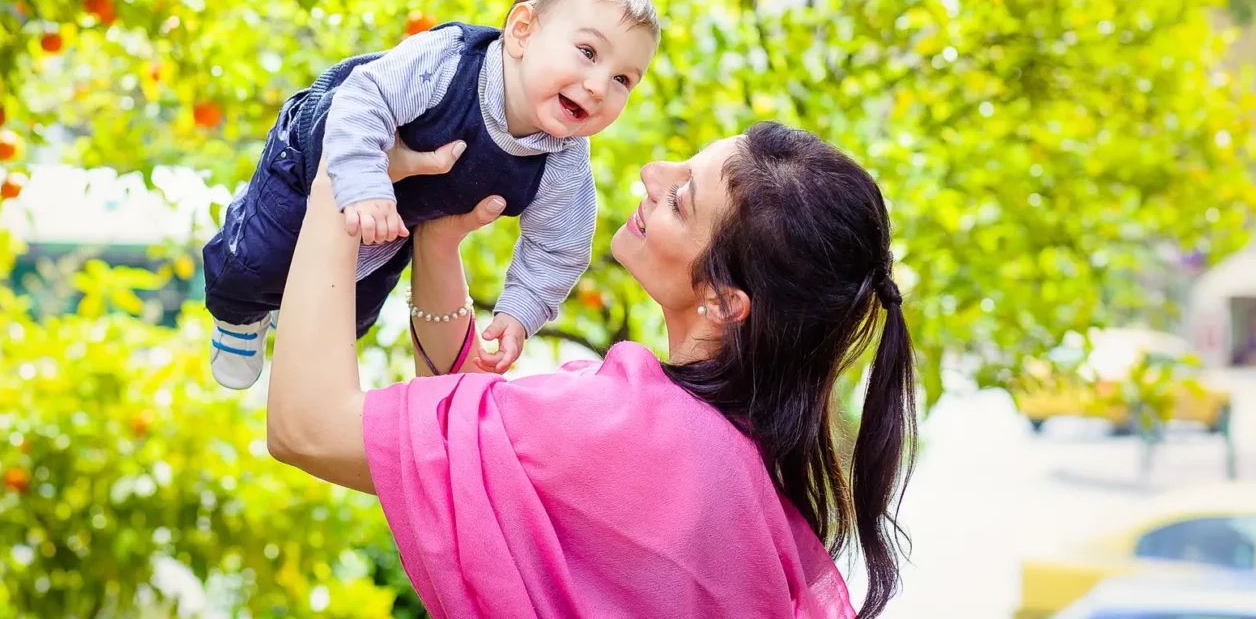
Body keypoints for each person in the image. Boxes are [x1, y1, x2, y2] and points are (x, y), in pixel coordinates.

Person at [266, 121, 917, 619]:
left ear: (723, 301)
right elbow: (470, 464)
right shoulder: (749, 467)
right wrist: (439, 244)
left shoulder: (626, 431)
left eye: (680, 200)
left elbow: (307, 428)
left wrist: (339, 179)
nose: (650, 174)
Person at [202, 0, 660, 389]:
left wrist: (520, 311)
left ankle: (291, 305)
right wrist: (365, 180)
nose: (599, 87)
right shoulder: (450, 61)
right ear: (522, 31)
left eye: (623, 80)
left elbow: (560, 247)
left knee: (351, 312)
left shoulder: (563, 160)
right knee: (254, 263)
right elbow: (365, 97)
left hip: (397, 218)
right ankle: (238, 316)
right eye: (587, 51)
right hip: (316, 157)